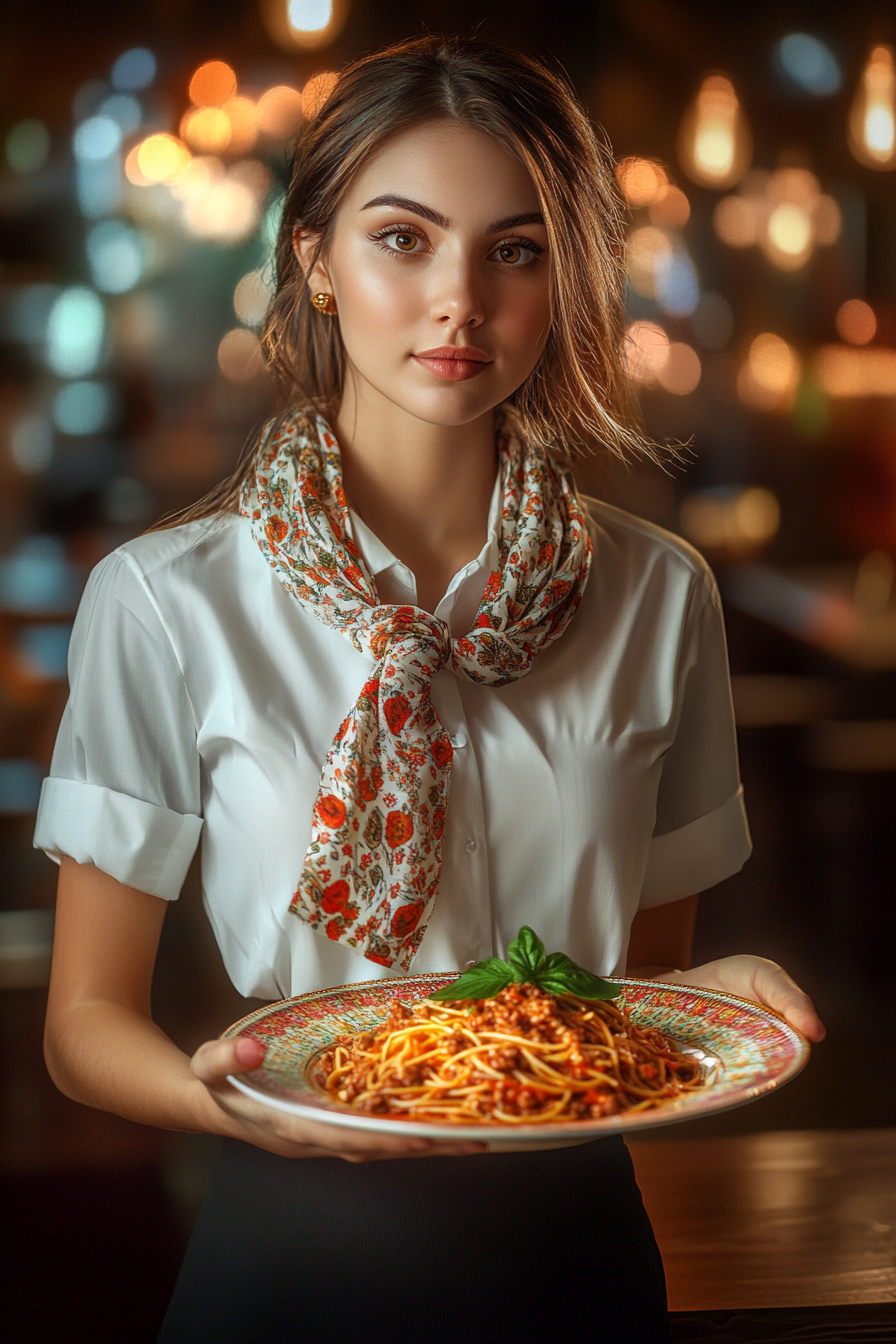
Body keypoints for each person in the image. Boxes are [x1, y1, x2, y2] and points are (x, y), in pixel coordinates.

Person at [35, 35, 824, 1343]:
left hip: (578, 1261)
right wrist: (243, 1099)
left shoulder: (658, 594)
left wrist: (706, 999)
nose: (459, 298)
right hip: (291, 1247)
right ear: (317, 264)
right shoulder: (166, 601)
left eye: (515, 250)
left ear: (561, 279)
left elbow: (620, 1008)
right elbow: (82, 1025)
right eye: (403, 239)